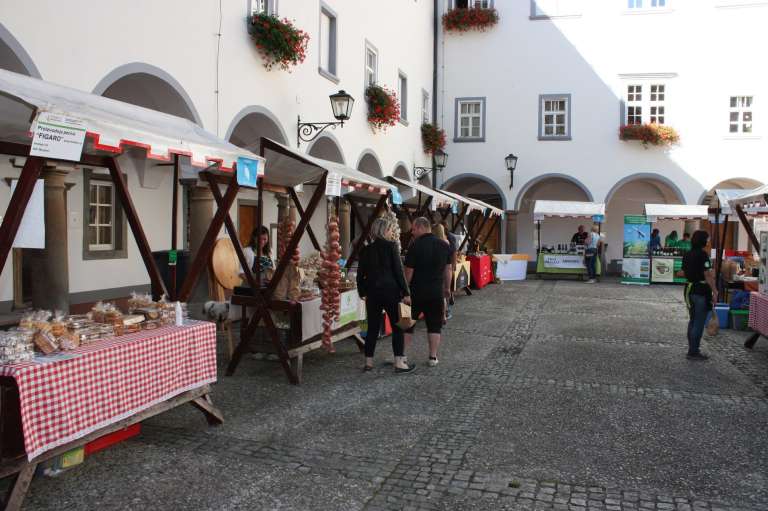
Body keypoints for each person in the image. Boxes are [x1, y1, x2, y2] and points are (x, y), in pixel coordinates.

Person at [356, 218, 416, 374]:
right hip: (391, 292)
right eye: (389, 229)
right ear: (384, 231)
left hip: (373, 293)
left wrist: (362, 292)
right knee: (398, 327)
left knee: (372, 328)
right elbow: (398, 272)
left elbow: (360, 275)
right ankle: (399, 363)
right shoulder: (391, 246)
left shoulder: (366, 250)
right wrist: (406, 292)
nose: (391, 232)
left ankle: (368, 362)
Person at [403, 217, 452, 367]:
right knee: (434, 325)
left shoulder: (414, 246)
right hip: (436, 292)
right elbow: (448, 269)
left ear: (421, 228)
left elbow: (409, 272)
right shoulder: (444, 246)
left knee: (408, 325)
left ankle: (402, 355)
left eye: (414, 229)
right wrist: (447, 288)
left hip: (416, 292)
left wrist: (405, 290)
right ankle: (432, 357)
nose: (412, 232)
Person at [681, 230, 717, 360]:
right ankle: (694, 351)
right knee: (698, 322)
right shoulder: (703, 255)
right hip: (701, 290)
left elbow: (683, 272)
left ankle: (692, 349)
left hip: (689, 290)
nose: (708, 241)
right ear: (702, 240)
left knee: (692, 320)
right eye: (707, 239)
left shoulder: (687, 254)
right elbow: (707, 275)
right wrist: (715, 291)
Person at [440, 221, 459, 320]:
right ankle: (444, 311)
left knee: (446, 290)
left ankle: (446, 311)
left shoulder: (450, 237)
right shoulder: (438, 238)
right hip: (444, 267)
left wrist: (454, 266)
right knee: (444, 290)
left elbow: (454, 253)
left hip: (447, 267)